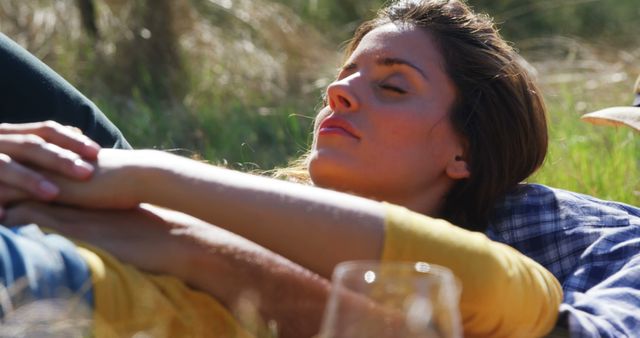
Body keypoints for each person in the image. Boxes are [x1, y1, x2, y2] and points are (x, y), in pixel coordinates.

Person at [2, 0, 639, 337]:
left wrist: (169, 210)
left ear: (463, 152)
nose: (337, 94)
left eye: (392, 87)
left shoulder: (548, 233)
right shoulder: (225, 188)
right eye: (344, 76)